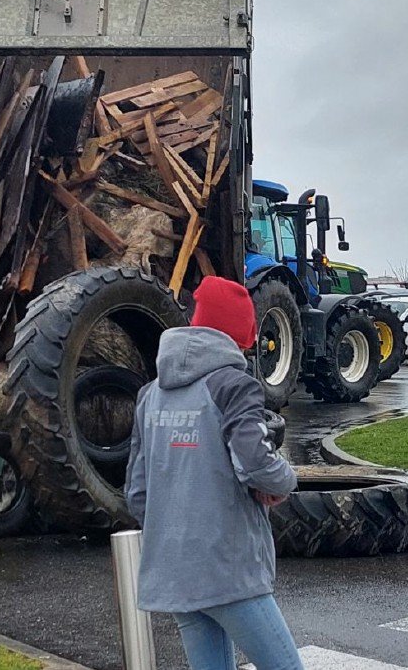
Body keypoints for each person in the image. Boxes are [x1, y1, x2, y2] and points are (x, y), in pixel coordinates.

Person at [125, 275, 303, 670]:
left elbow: (137, 492)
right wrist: (285, 480)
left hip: (174, 571)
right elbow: (255, 462)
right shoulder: (235, 386)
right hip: (228, 568)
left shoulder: (150, 394)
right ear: (241, 335)